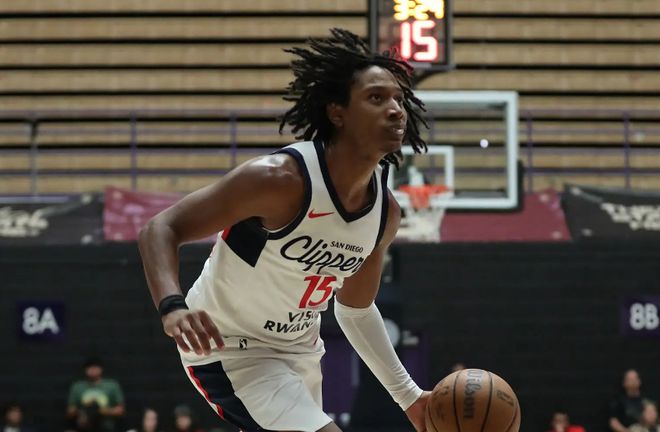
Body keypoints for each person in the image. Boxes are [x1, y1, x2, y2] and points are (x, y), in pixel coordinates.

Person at [138, 28, 430, 432]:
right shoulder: (279, 180)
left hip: (302, 354)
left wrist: (409, 396)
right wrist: (172, 307)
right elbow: (161, 228)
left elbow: (356, 310)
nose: (396, 109)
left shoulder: (385, 214)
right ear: (337, 112)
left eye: (398, 98)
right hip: (231, 349)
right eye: (376, 98)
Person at [66, 356, 125, 432]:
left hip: (106, 427)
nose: (93, 370)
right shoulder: (77, 386)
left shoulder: (112, 385)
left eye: (95, 367)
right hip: (84, 427)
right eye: (90, 367)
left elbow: (120, 411)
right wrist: (82, 412)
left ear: (101, 369)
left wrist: (100, 411)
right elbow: (70, 412)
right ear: (85, 370)